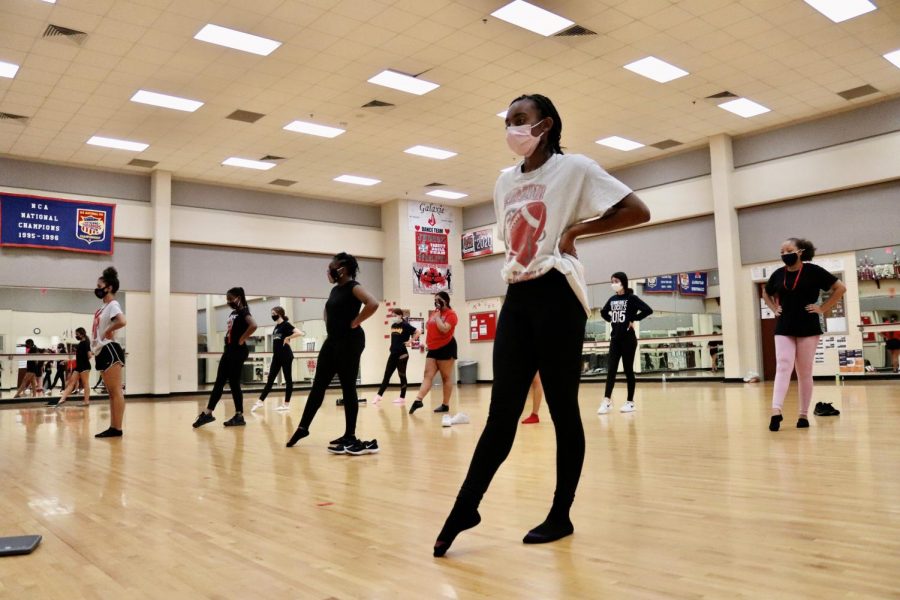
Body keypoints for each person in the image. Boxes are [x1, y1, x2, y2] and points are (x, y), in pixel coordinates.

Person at [433, 93, 650, 557]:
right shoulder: (504, 181)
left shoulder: (575, 169)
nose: (512, 128)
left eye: (521, 120)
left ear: (545, 125)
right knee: (500, 413)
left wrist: (574, 232)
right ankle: (465, 508)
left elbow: (637, 210)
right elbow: (512, 238)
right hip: (518, 293)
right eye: (508, 121)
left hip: (557, 293)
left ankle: (561, 513)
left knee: (562, 408)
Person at [286, 253, 379, 455]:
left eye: (332, 267)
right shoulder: (335, 290)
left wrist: (356, 321)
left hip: (350, 342)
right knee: (318, 385)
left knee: (348, 387)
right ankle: (303, 428)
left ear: (342, 269)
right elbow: (329, 311)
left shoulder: (354, 286)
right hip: (333, 341)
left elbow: (373, 303)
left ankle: (350, 435)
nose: (329, 270)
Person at [762, 238, 846, 432]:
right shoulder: (778, 274)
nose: (784, 254)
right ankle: (776, 410)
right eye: (781, 251)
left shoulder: (813, 271)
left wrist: (822, 308)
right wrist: (774, 308)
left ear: (800, 251)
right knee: (783, 365)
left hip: (808, 324)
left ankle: (803, 414)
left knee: (804, 371)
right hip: (784, 325)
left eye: (788, 250)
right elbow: (766, 293)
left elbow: (840, 288)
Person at [193, 287, 257, 428]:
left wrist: (241, 339)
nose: (228, 302)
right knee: (230, 383)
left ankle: (210, 413)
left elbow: (254, 325)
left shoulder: (243, 310)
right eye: (227, 299)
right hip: (230, 350)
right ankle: (237, 415)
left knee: (222, 382)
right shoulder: (234, 312)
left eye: (230, 299)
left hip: (236, 351)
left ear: (238, 298)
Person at [597, 272, 653, 414]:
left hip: (628, 340)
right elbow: (603, 312)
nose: (613, 283)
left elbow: (648, 310)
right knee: (611, 370)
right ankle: (607, 401)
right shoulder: (612, 299)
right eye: (612, 281)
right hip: (615, 339)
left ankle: (630, 402)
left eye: (615, 280)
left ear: (622, 282)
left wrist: (632, 318)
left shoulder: (631, 298)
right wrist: (611, 320)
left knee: (628, 370)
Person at [408, 291, 458, 415]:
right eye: (435, 300)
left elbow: (444, 329)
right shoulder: (436, 313)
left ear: (445, 301)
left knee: (445, 377)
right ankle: (418, 400)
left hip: (446, 347)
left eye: (439, 300)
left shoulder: (451, 314)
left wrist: (436, 318)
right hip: (433, 348)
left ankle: (445, 405)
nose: (436, 302)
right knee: (427, 375)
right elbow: (428, 327)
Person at [92, 267, 128, 438]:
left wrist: (109, 331)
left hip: (109, 349)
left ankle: (117, 428)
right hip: (101, 350)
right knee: (111, 393)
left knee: (116, 391)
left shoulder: (113, 304)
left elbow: (122, 321)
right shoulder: (103, 307)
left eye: (100, 286)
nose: (97, 288)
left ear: (109, 288)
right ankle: (113, 427)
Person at [251, 306, 303, 413]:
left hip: (286, 356)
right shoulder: (276, 327)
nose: (272, 315)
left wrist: (288, 337)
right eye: (271, 313)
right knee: (270, 379)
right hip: (277, 357)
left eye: (274, 313)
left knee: (288, 379)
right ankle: (260, 401)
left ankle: (286, 404)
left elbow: (299, 332)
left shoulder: (286, 325)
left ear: (280, 313)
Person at [373, 308, 420, 405]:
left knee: (401, 375)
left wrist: (410, 341)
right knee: (387, 375)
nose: (393, 317)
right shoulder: (393, 325)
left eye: (395, 315)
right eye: (392, 315)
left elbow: (418, 332)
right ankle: (379, 395)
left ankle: (402, 397)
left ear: (400, 315)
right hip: (393, 353)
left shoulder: (405, 325)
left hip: (402, 354)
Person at [55, 328, 92, 407]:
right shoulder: (81, 342)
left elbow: (89, 355)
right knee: (71, 383)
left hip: (84, 367)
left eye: (77, 334)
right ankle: (62, 399)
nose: (76, 336)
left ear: (82, 334)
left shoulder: (86, 343)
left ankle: (86, 402)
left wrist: (83, 360)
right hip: (79, 366)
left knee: (85, 384)